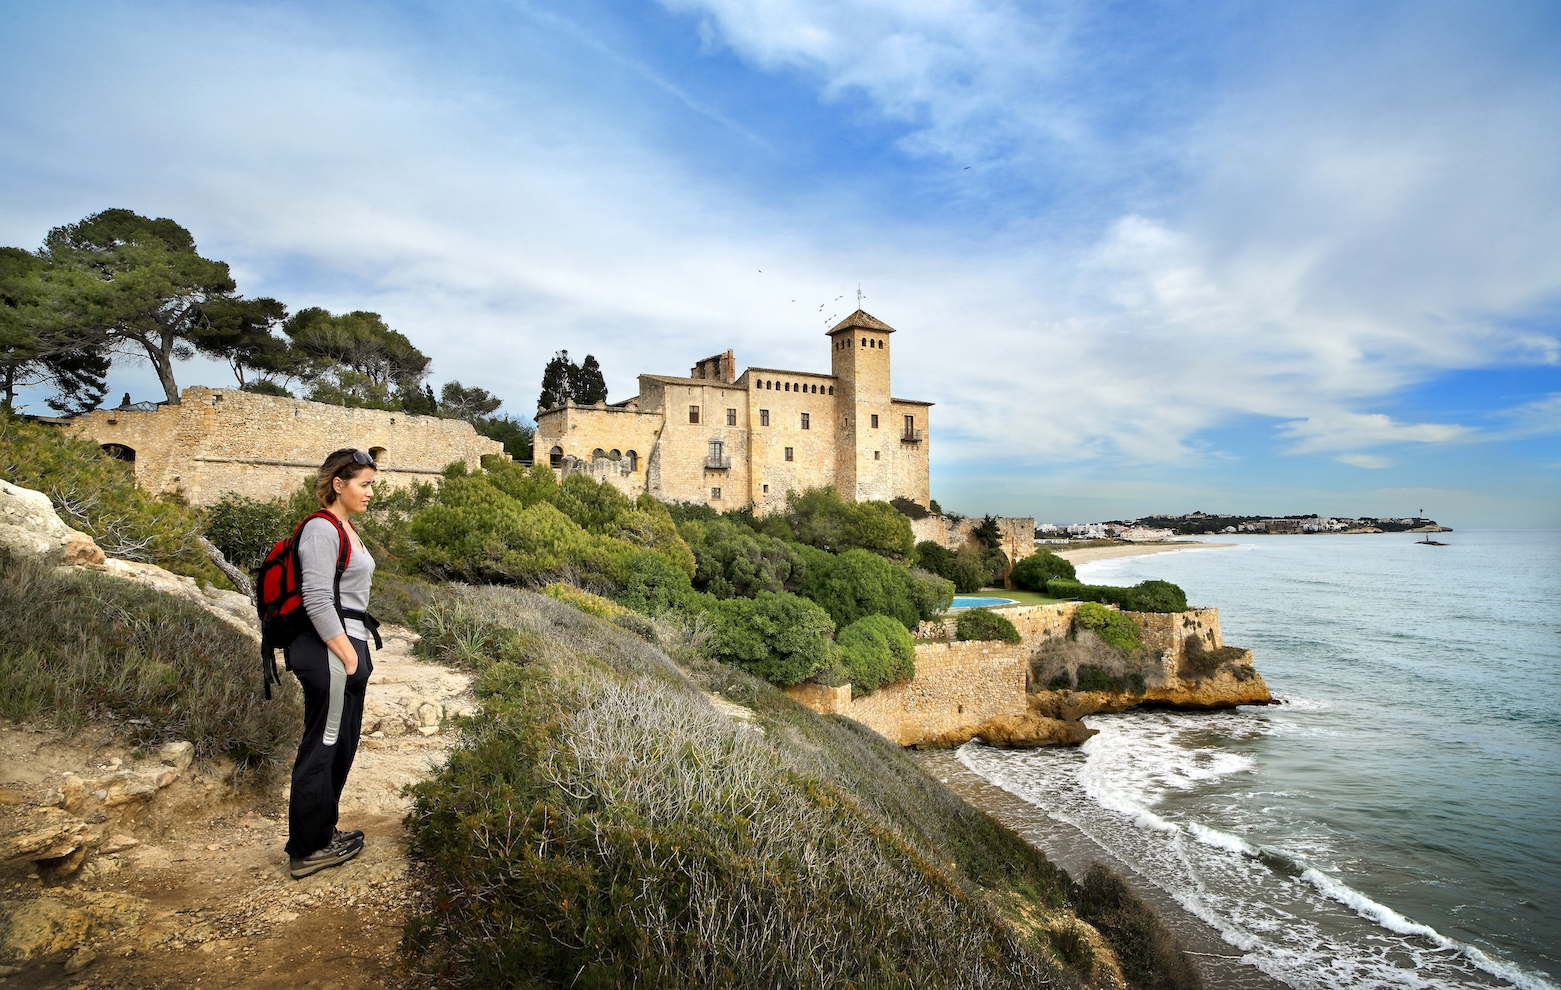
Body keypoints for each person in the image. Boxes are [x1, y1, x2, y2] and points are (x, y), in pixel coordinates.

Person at [284, 448, 381, 880]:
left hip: (344, 648)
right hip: (330, 651)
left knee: (339, 748)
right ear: (338, 485)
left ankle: (323, 834)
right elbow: (317, 599)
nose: (370, 493)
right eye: (364, 484)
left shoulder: (345, 527)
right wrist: (347, 657)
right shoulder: (322, 530)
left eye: (372, 485)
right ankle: (307, 850)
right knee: (321, 750)